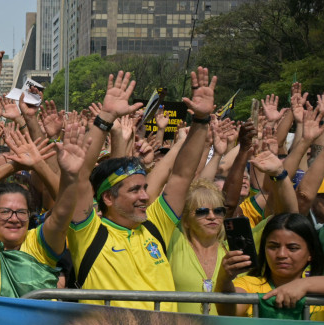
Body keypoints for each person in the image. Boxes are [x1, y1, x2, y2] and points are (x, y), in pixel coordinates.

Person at [66, 68, 217, 312]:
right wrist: (105, 117)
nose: (145, 196)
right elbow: (80, 175)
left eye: (145, 188)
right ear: (108, 197)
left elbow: (181, 175)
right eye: (135, 190)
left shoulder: (155, 225)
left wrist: (201, 121)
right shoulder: (89, 233)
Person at [0, 120, 87, 297]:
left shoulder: (38, 245)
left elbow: (62, 215)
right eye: (5, 211)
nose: (14, 218)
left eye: (21, 212)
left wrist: (70, 176)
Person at [215, 213, 324, 318]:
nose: (281, 254)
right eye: (273, 247)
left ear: (311, 253)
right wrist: (223, 278)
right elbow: (228, 311)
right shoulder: (248, 284)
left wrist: (305, 284)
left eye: (292, 248)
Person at [169, 180, 228, 314]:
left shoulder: (234, 250)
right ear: (186, 220)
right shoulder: (175, 242)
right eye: (202, 212)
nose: (212, 217)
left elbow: (282, 215)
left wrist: (278, 176)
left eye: (218, 211)